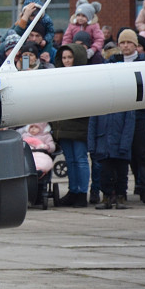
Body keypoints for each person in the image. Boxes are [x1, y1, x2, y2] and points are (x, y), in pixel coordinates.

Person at [109, 29, 145, 205]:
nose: (125, 46)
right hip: (119, 117)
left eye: (129, 42)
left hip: (139, 115)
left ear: (136, 45)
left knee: (142, 154)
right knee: (118, 155)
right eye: (122, 43)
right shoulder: (113, 62)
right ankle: (117, 190)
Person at [52, 43, 91, 207]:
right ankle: (73, 190)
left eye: (70, 57)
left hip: (79, 124)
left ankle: (81, 193)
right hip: (64, 125)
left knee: (80, 159)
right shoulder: (58, 75)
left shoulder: (84, 77)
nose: (67, 61)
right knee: (70, 160)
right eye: (64, 58)